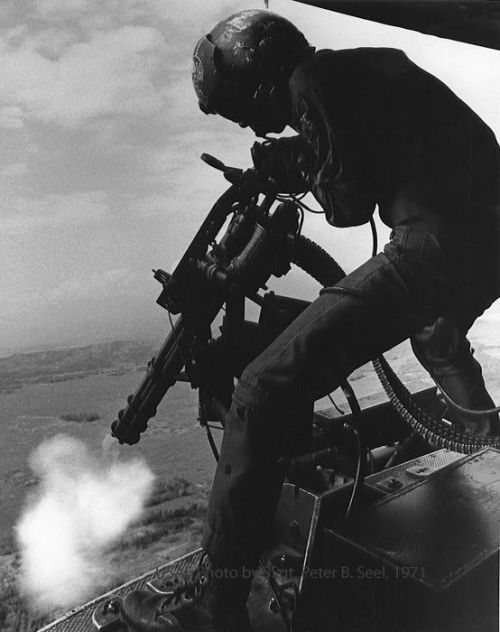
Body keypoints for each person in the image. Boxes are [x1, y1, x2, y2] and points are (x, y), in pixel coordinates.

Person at [120, 10, 500, 632]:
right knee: (437, 337)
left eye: (243, 105)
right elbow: (373, 148)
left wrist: (295, 164)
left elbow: (347, 203)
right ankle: (484, 434)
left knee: (263, 388)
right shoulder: (353, 70)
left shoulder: (312, 83)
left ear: (261, 75)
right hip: (486, 236)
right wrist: (300, 155)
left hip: (439, 238)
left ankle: (212, 610)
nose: (246, 120)